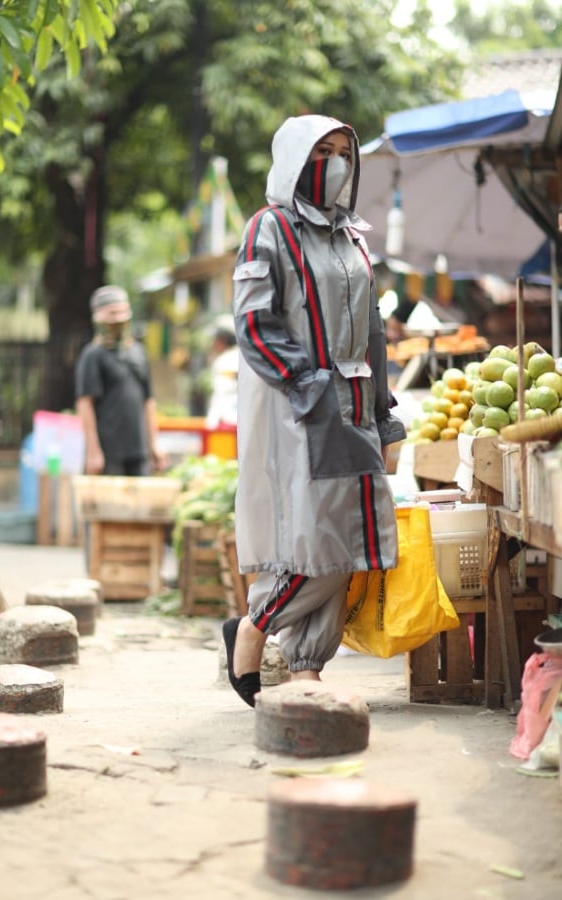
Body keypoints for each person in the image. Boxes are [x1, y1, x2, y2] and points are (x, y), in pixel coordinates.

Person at [222, 114, 406, 707]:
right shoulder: (267, 230)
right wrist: (309, 383)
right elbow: (253, 322)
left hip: (354, 406)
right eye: (320, 152)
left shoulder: (353, 237)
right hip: (299, 411)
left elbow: (373, 331)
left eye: (341, 152)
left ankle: (306, 668)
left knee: (351, 541)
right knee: (324, 540)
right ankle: (254, 627)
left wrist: (386, 414)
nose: (334, 163)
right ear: (295, 160)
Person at [75, 284, 166, 475]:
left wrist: (154, 443)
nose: (119, 319)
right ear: (98, 316)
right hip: (108, 454)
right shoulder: (92, 355)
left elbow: (148, 401)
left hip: (138, 451)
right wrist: (93, 452)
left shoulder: (138, 352)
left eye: (123, 312)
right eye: (112, 313)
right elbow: (85, 403)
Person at [205, 315, 239, 429]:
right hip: (233, 419)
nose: (214, 343)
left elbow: (223, 392)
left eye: (217, 338)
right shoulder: (239, 356)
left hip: (227, 420)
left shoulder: (227, 359)